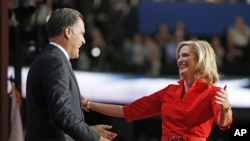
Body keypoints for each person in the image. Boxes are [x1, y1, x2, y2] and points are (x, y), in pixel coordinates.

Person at [82, 40, 233, 141]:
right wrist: (88, 104)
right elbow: (127, 111)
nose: (179, 60)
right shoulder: (169, 91)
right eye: (178, 56)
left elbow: (223, 123)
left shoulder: (212, 92)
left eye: (185, 55)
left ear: (201, 59)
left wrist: (225, 107)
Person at [25, 8, 117, 141]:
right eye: (81, 34)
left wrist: (89, 130)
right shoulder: (55, 61)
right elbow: (62, 116)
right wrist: (96, 139)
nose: (84, 40)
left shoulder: (50, 58)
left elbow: (53, 117)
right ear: (68, 32)